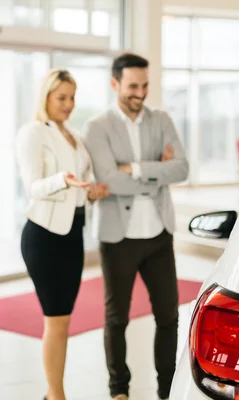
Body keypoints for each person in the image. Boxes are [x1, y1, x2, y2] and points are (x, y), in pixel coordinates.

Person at [82, 53, 189, 400]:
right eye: (132, 86)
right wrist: (156, 171)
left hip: (159, 234)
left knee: (168, 316)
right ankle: (119, 390)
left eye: (144, 85)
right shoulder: (97, 127)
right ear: (115, 84)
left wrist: (137, 169)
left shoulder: (161, 119)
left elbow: (182, 169)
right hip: (118, 237)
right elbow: (108, 178)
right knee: (117, 318)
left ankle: (166, 388)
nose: (140, 93)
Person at [16, 69, 110, 400]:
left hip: (72, 235)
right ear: (46, 97)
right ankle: (56, 395)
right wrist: (62, 180)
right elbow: (33, 187)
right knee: (55, 320)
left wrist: (90, 191)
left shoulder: (73, 135)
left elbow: (78, 188)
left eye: (72, 97)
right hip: (44, 237)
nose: (68, 104)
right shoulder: (33, 132)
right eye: (62, 98)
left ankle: (54, 393)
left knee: (63, 321)